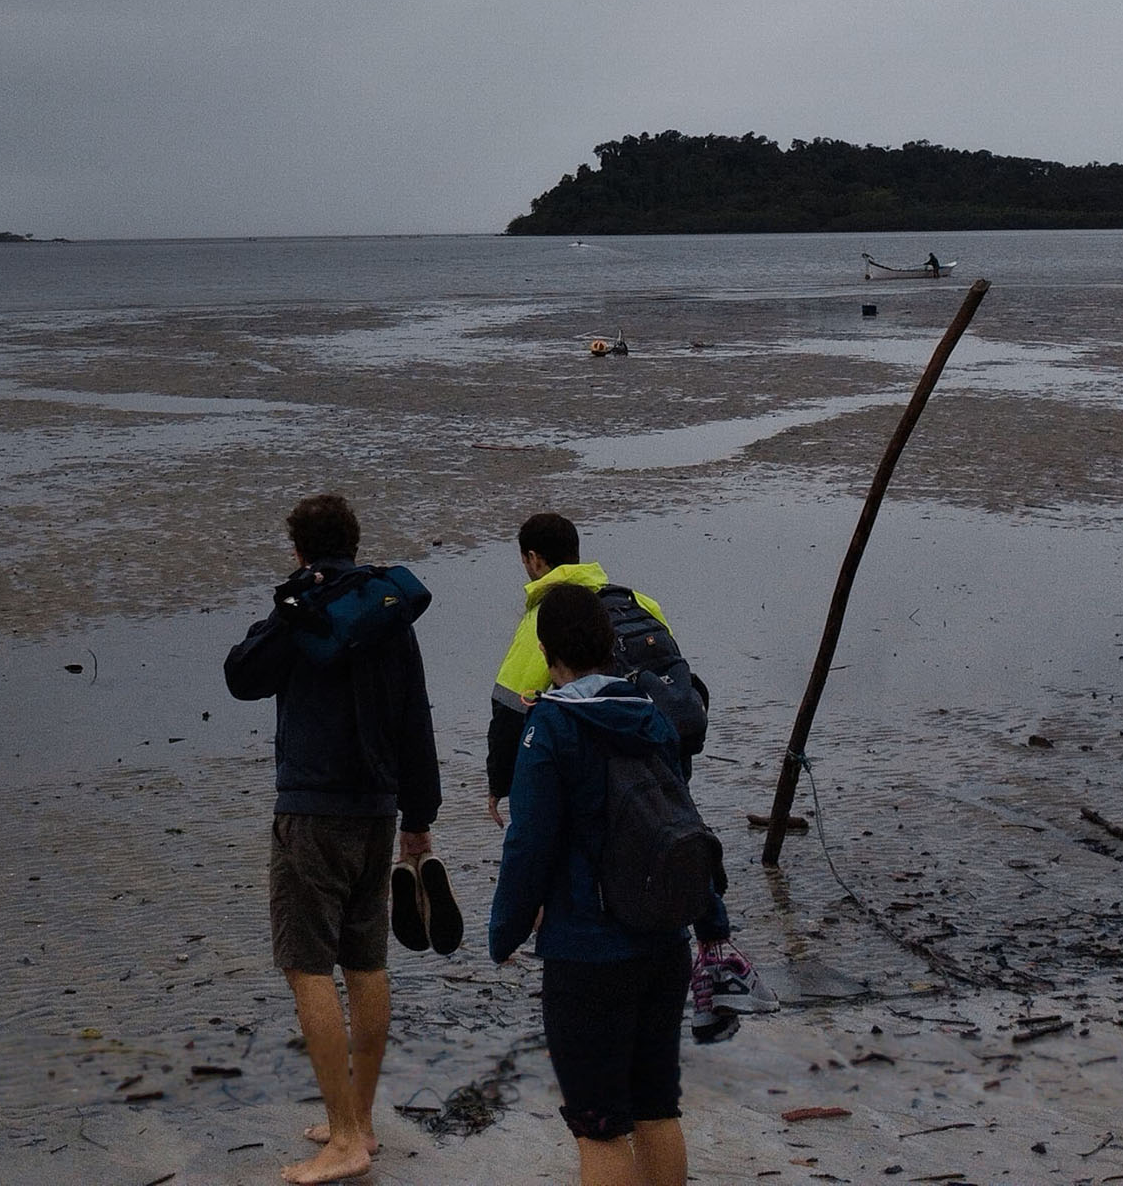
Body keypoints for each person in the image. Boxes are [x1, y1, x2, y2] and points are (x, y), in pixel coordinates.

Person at [225, 493, 443, 1184]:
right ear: (354, 543)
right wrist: (419, 818)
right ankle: (362, 1121)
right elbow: (416, 717)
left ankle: (345, 1137)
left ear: (299, 550)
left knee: (307, 965)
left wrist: (288, 608)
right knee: (365, 960)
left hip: (313, 811)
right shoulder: (389, 611)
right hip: (379, 811)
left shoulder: (304, 611)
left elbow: (240, 676)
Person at [486, 512, 764, 1035]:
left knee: (595, 846)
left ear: (532, 560)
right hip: (657, 740)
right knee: (663, 826)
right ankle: (699, 936)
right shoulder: (639, 602)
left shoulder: (543, 619)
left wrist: (499, 783)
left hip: (590, 768)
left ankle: (623, 935)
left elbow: (507, 711)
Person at [486, 583, 704, 1186]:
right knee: (657, 1107)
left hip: (589, 953)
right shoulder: (652, 714)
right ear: (612, 645)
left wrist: (503, 933)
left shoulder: (550, 729)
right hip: (664, 940)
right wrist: (709, 921)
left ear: (546, 648)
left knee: (600, 1126)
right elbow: (680, 813)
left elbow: (528, 845)